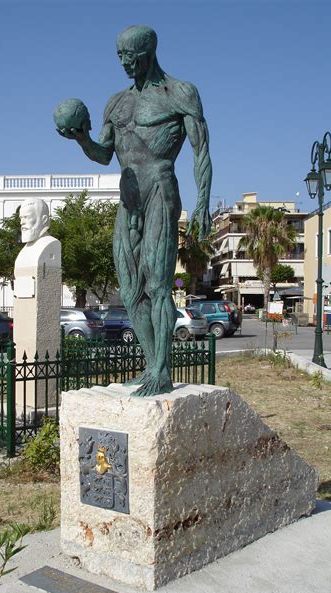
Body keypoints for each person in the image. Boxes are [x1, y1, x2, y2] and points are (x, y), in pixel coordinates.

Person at [56, 25, 212, 396]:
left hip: (160, 188)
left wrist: (203, 201)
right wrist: (81, 140)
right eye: (119, 56)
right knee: (130, 289)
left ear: (149, 52)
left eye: (130, 55)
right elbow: (104, 154)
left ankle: (161, 369)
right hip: (128, 198)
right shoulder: (116, 103)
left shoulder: (180, 93)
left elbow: (201, 151)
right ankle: (148, 363)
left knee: (158, 284)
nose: (125, 62)